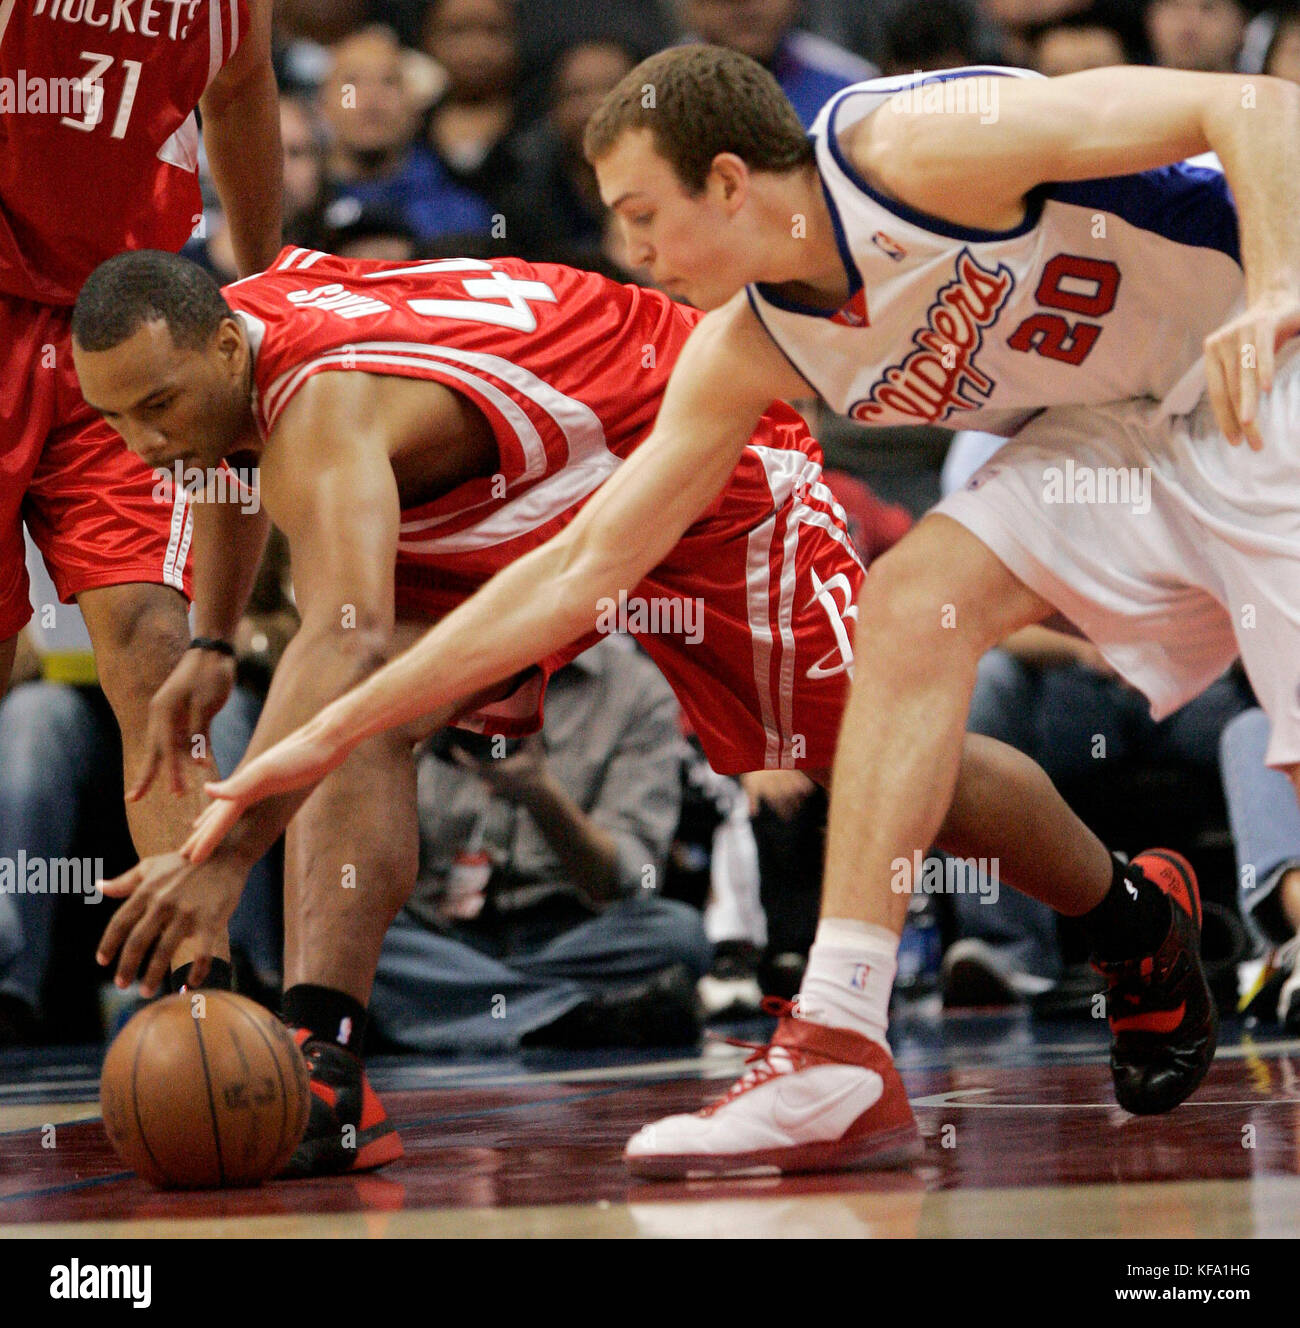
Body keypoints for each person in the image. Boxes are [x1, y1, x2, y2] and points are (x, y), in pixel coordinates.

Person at [187, 46, 1300, 1180]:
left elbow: (1252, 101)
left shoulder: (909, 151)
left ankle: (1123, 917)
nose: (631, 249)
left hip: (1265, 359)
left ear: (726, 182)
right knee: (913, 602)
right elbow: (581, 567)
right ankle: (836, 1042)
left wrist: (1273, 293)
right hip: (1118, 424)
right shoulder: (749, 341)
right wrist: (324, 730)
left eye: (641, 214)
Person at [0, 0, 281, 994]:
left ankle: (200, 984)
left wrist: (266, 278)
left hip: (115, 327)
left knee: (157, 650)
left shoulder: (219, 9)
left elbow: (242, 92)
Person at [372, 637, 709, 1053]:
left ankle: (458, 1006)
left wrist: (540, 795)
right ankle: (570, 1016)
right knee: (357, 932)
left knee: (677, 934)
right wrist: (402, 750)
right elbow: (372, 868)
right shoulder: (435, 671)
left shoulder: (637, 690)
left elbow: (626, 878)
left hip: (570, 936)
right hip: (443, 932)